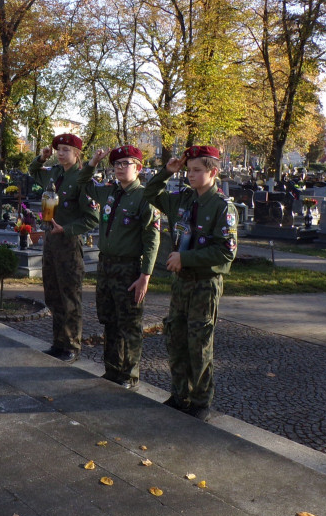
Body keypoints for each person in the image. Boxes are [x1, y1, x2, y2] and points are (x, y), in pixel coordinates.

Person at [142, 145, 237, 421]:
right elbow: (149, 193)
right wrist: (166, 172)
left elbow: (225, 252)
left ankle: (200, 400)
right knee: (176, 338)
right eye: (188, 170)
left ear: (213, 172)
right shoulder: (183, 199)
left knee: (199, 343)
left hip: (204, 284)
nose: (190, 175)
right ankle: (179, 394)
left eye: (197, 170)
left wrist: (186, 258)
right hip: (181, 283)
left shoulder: (222, 207)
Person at [77, 146, 160, 389]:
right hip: (107, 266)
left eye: (126, 163)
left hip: (129, 269)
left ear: (138, 168)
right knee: (109, 320)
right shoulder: (109, 193)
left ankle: (129, 374)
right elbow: (82, 182)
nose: (120, 168)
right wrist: (93, 161)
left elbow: (152, 239)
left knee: (130, 324)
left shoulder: (145, 198)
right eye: (117, 164)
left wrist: (146, 275)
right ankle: (112, 370)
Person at [29, 134, 99, 362]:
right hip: (51, 241)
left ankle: (71, 346)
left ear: (77, 154)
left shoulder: (81, 179)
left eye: (66, 149)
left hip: (68, 243)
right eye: (58, 149)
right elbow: (34, 172)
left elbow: (92, 218)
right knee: (53, 294)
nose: (60, 153)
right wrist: (41, 158)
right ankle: (58, 342)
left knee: (70, 297)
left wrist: (67, 229)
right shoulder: (56, 173)